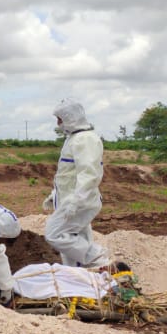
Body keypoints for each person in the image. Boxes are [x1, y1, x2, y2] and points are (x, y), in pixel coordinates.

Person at [43, 99, 111, 269]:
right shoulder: (74, 138)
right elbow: (68, 174)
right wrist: (55, 194)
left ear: (70, 118)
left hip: (78, 201)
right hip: (70, 199)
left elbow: (89, 174)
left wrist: (76, 200)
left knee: (54, 234)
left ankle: (100, 259)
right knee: (74, 243)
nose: (58, 123)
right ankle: (79, 278)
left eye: (60, 119)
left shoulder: (85, 139)